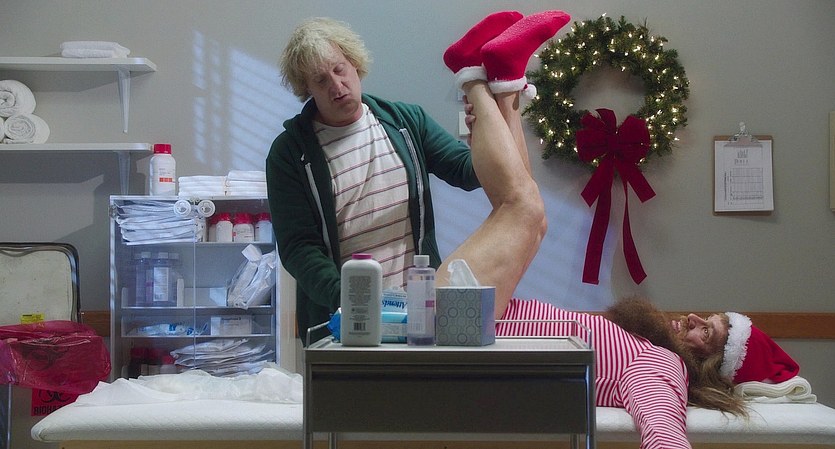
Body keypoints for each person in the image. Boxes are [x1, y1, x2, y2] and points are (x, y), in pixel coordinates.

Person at [432, 11, 800, 449]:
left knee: (523, 210)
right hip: (478, 324)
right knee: (531, 215)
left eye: (709, 332)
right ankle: (505, 83)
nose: (695, 318)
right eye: (710, 318)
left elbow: (663, 432)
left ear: (711, 366)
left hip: (461, 331)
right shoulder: (642, 341)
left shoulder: (663, 367)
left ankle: (472, 77)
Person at [267, 16, 481, 342]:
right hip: (341, 324)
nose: (336, 86)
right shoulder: (289, 154)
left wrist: (484, 131)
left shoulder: (407, 122)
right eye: (321, 80)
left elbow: (469, 172)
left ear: (354, 64)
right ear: (307, 89)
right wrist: (354, 301)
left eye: (339, 70)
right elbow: (299, 248)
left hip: (419, 315)